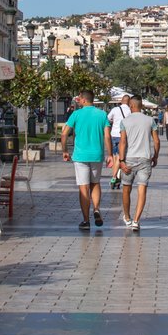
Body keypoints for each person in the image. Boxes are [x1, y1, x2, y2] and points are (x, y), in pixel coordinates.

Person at [60, 89, 112, 231]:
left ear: (83, 100)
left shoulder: (76, 114)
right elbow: (107, 136)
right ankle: (96, 209)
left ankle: (85, 220)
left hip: (80, 156)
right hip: (97, 155)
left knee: (83, 187)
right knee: (95, 183)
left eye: (79, 98)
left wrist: (65, 151)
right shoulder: (102, 115)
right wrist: (110, 154)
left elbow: (64, 134)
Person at [117, 98, 160, 231]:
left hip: (129, 159)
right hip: (145, 158)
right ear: (141, 106)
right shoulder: (150, 120)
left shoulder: (124, 122)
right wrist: (155, 156)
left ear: (131, 105)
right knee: (142, 189)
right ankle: (136, 220)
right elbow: (157, 141)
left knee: (126, 189)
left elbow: (122, 142)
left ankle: (127, 217)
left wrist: (121, 161)